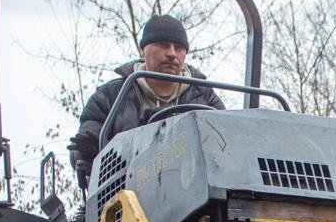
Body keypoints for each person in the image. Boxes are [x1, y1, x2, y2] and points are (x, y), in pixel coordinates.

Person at [68, 15, 226, 189]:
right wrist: (89, 151)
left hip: (192, 192)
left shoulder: (205, 97)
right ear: (143, 49)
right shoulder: (110, 97)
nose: (172, 53)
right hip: (127, 196)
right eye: (163, 45)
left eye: (179, 48)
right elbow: (81, 153)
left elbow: (226, 141)